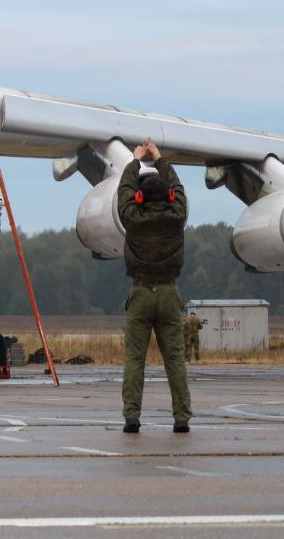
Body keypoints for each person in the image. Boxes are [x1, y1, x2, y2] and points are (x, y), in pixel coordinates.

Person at [118, 137, 191, 434]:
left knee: (135, 359)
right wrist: (159, 159)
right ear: (170, 197)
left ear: (139, 198)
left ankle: (132, 417)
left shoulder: (133, 218)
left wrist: (134, 161)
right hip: (169, 292)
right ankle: (182, 418)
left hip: (140, 292)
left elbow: (124, 192)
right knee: (175, 358)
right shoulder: (177, 216)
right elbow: (180, 191)